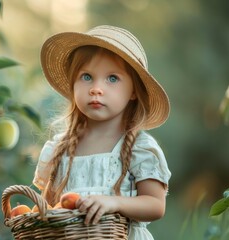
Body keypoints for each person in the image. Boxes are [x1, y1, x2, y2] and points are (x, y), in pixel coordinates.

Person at [33, 25, 171, 239]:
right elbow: (48, 209)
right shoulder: (60, 148)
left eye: (112, 78)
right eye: (86, 77)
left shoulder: (139, 148)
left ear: (134, 91)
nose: (96, 88)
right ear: (73, 84)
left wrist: (114, 202)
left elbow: (155, 205)